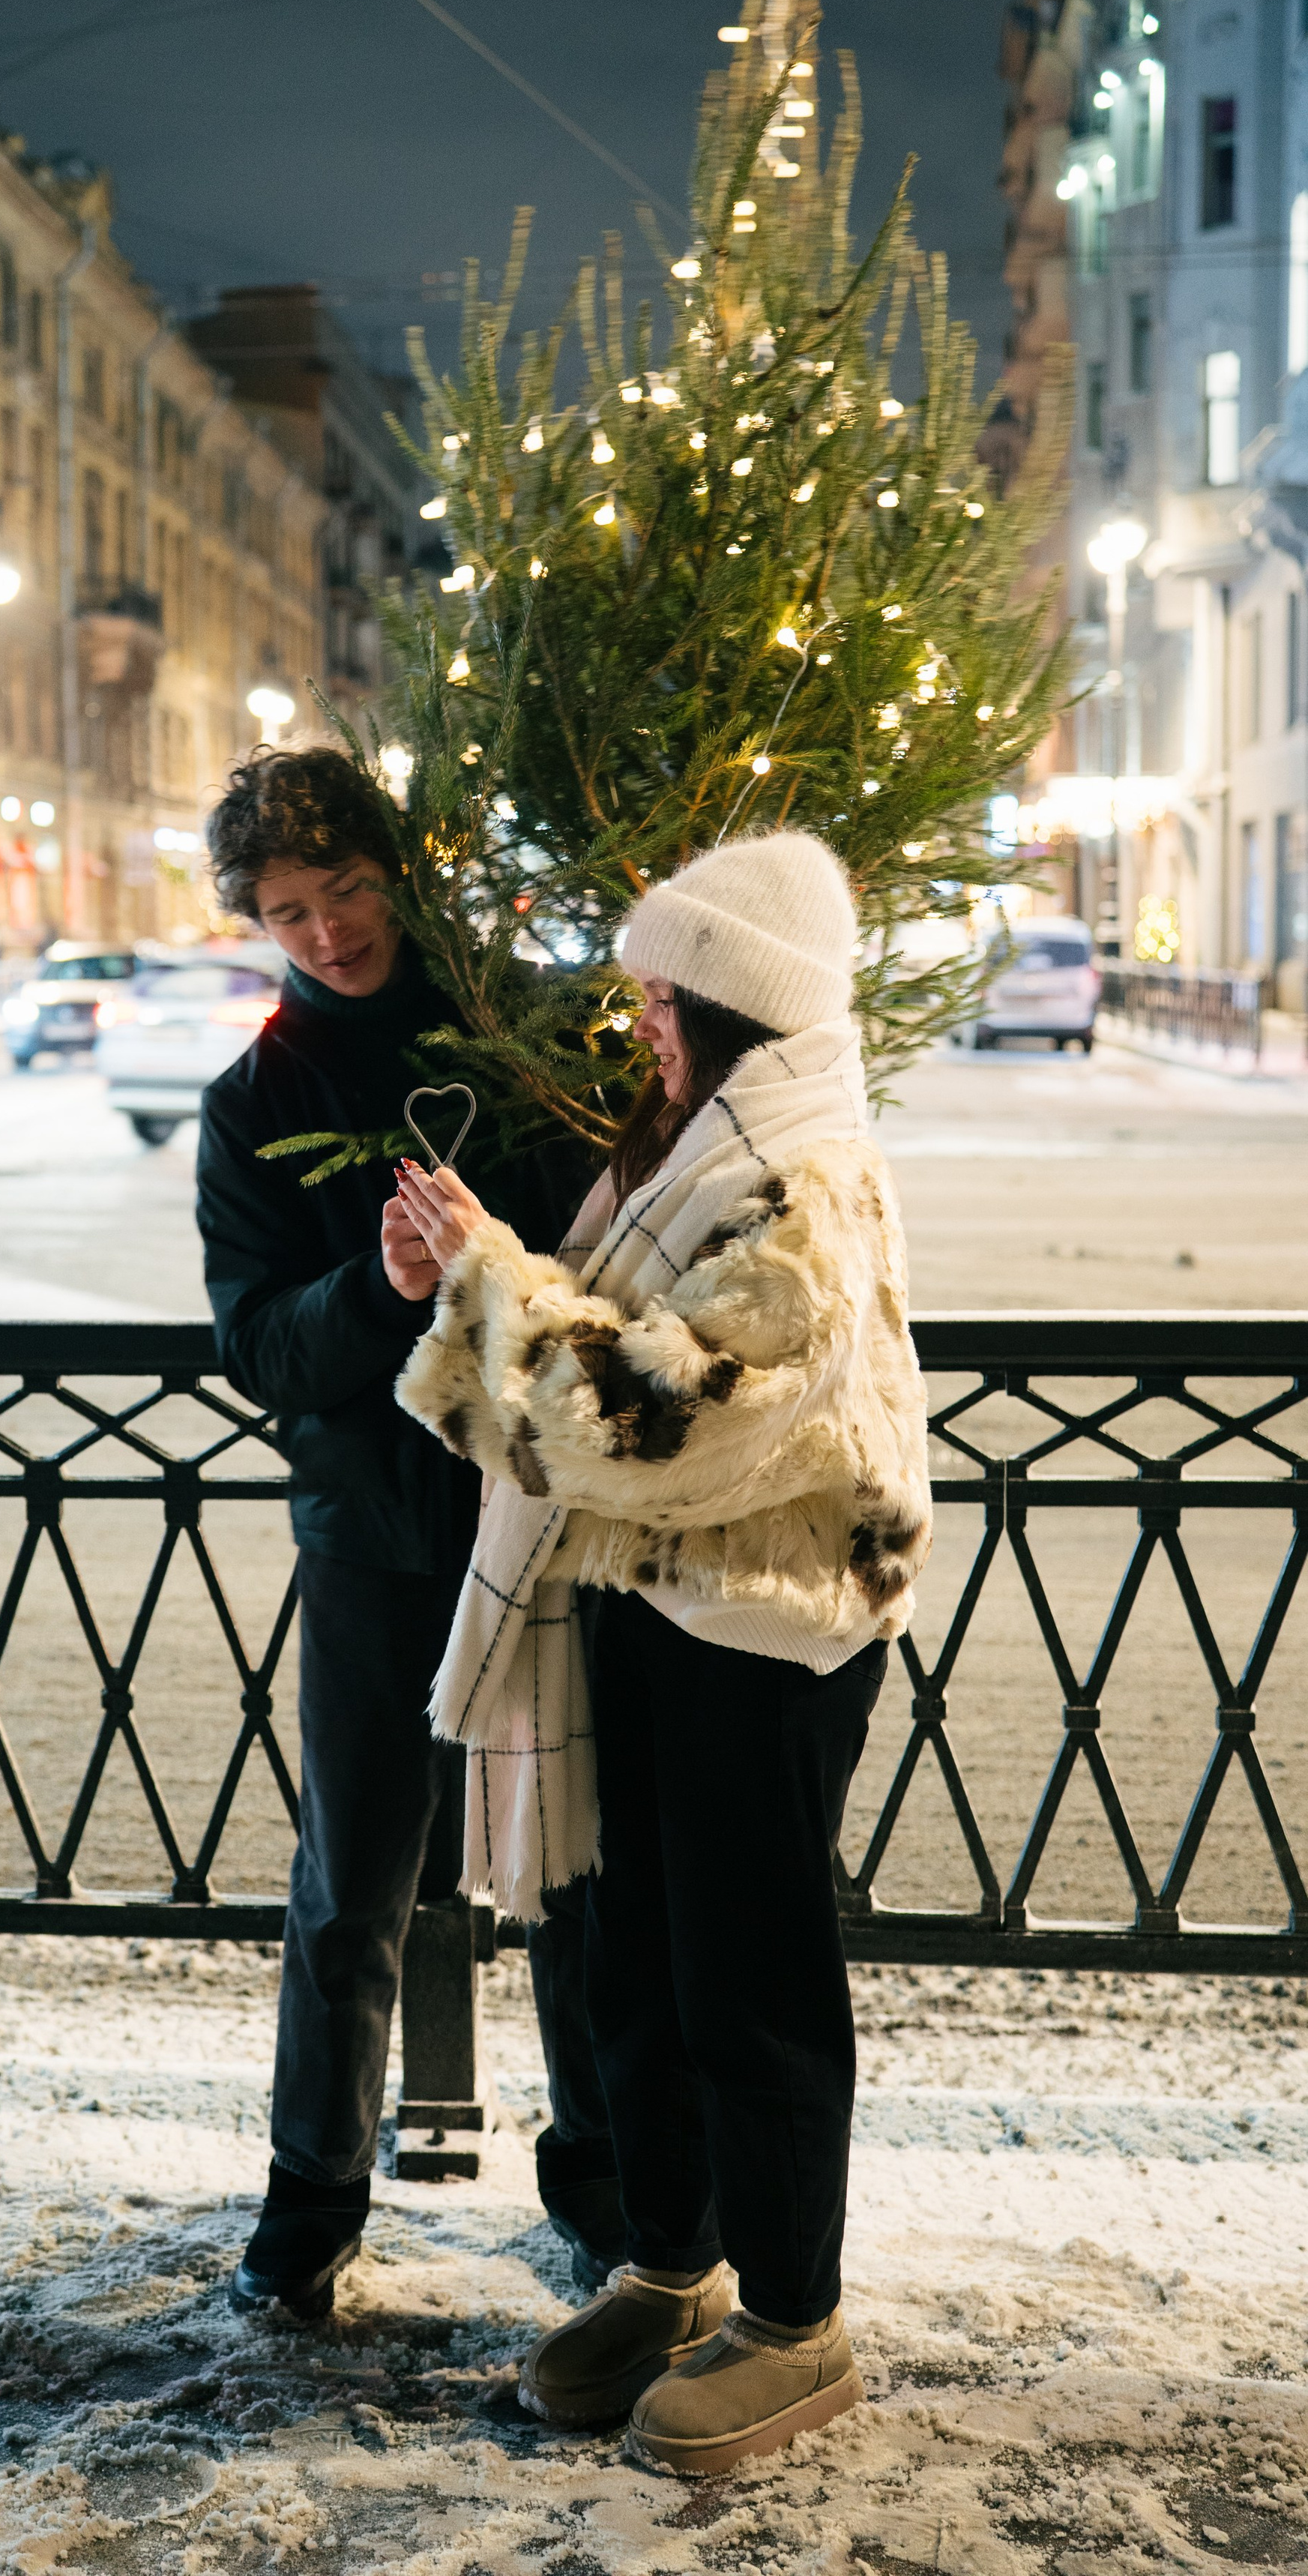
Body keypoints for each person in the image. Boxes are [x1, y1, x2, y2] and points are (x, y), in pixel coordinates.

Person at [390, 830, 932, 2476]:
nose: (635, 1002)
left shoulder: (801, 1178)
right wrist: (473, 1281)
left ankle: (793, 2318)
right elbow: (605, 1361)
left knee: (748, 1982)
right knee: (633, 1960)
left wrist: (491, 1285)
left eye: (660, 977)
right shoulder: (696, 1133)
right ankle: (670, 2269)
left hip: (764, 1632)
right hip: (646, 1609)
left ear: (729, 993)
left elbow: (662, 1416)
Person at [196, 745, 619, 2318]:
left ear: (397, 870)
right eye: (286, 911)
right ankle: (309, 2205)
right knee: (351, 1881)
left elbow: (605, 1254)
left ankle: (600, 2185)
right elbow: (252, 1343)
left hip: (548, 1514)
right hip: (373, 1536)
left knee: (569, 1868)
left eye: (346, 890)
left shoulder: (523, 1041)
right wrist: (373, 1291)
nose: (324, 934)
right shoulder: (256, 1100)